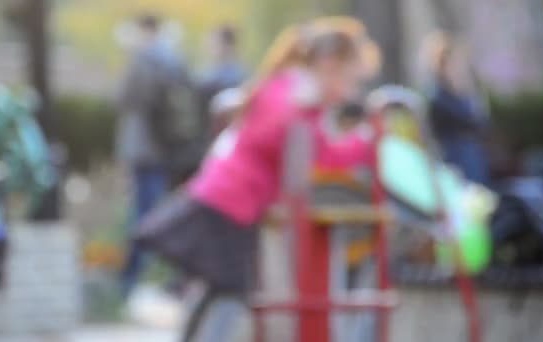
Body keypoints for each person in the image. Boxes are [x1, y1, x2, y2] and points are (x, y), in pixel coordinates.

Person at [134, 17, 381, 298]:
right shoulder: (288, 89)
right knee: (228, 296)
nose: (351, 93)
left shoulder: (311, 110)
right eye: (349, 81)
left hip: (239, 206)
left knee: (223, 294)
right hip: (227, 200)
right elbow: (266, 133)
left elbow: (326, 156)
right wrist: (303, 107)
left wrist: (368, 143)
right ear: (328, 66)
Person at [115, 14, 195, 298]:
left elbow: (125, 99)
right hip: (167, 148)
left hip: (144, 150)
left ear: (143, 30)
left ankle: (130, 280)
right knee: (160, 212)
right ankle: (174, 276)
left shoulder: (143, 60)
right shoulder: (173, 59)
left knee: (144, 217)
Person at [421, 31, 490, 185]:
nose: (458, 68)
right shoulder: (437, 95)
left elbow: (482, 123)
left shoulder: (465, 92)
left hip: (472, 154)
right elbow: (467, 121)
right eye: (453, 63)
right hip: (454, 155)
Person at [196, 25, 247, 148]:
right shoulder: (207, 71)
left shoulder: (236, 74)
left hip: (226, 137)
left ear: (228, 46)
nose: (211, 48)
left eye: (215, 44)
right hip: (207, 136)